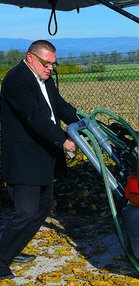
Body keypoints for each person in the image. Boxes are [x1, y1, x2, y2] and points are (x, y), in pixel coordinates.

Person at [0, 40, 78, 279]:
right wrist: (63, 140)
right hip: (24, 159)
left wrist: (80, 120)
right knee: (25, 212)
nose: (50, 68)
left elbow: (59, 107)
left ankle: (12, 249)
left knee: (42, 208)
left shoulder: (45, 80)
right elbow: (34, 117)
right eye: (46, 63)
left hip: (43, 156)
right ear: (30, 57)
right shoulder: (16, 81)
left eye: (53, 64)